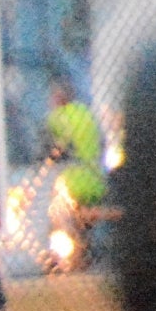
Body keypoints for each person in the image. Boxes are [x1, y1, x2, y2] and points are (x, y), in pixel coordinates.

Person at [44, 77, 109, 211]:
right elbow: (102, 142)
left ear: (56, 98)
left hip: (73, 185)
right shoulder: (85, 111)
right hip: (98, 182)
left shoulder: (56, 117)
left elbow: (53, 151)